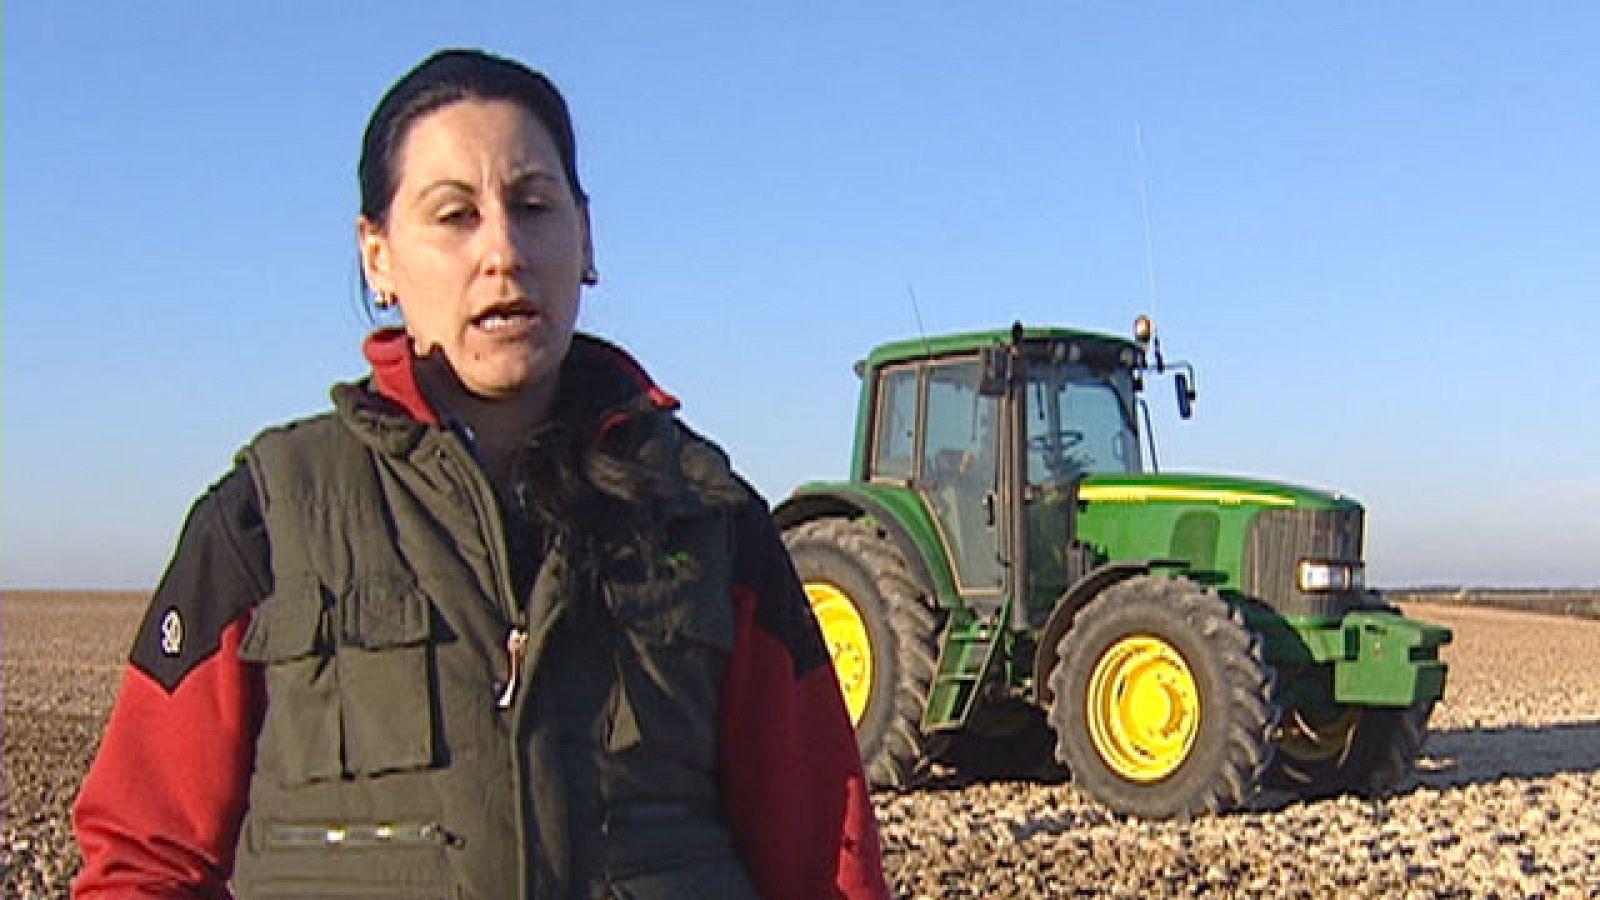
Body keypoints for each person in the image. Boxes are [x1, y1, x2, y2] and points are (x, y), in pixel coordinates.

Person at [72, 48, 889, 900]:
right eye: (454, 216)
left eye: (533, 207)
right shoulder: (267, 518)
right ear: (378, 257)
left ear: (586, 237)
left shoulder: (707, 517)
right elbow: (145, 855)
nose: (503, 251)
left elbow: (824, 858)